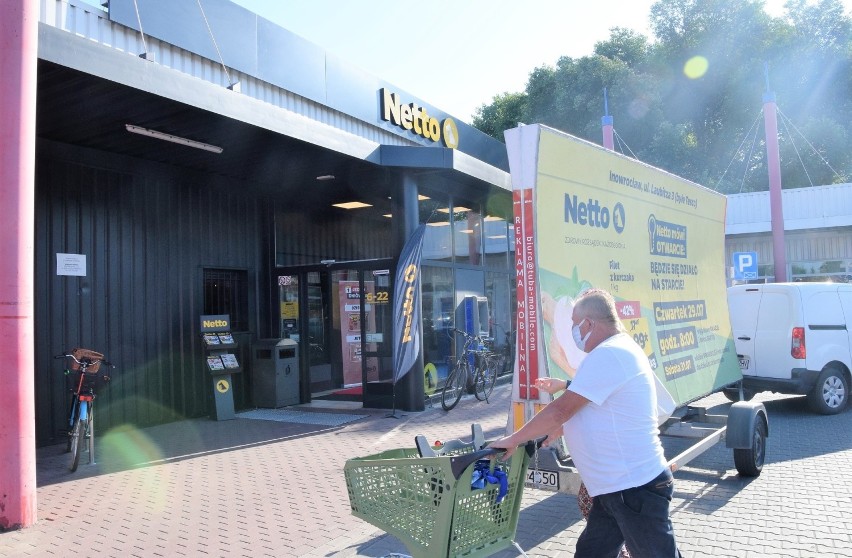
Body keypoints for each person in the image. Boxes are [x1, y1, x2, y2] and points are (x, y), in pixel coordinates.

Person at [489, 288, 683, 558]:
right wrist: (562, 429)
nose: (572, 332)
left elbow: (561, 409)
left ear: (589, 323)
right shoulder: (616, 350)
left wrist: (513, 438)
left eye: (573, 325)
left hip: (633, 488)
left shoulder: (610, 354)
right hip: (615, 490)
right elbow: (592, 405)